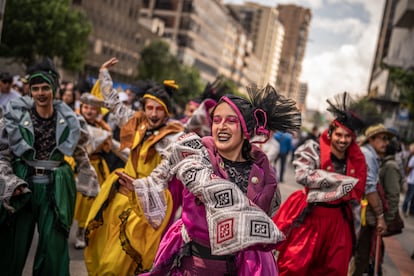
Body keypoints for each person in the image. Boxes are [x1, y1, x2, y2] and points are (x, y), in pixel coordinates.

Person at [117, 83, 301, 275]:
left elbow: (266, 217)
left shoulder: (263, 173)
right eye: (216, 120)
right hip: (194, 263)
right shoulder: (191, 151)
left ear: (246, 129)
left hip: (241, 266)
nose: (221, 126)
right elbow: (158, 178)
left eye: (230, 121)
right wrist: (140, 186)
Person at [84, 57, 184, 275]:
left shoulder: (174, 135)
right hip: (119, 197)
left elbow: (166, 168)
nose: (154, 113)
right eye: (150, 107)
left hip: (145, 203)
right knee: (103, 248)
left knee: (120, 261)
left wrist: (141, 186)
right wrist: (103, 73)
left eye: (159, 109)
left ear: (166, 112)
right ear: (144, 107)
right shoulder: (136, 121)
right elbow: (112, 103)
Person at [0, 58, 98, 276]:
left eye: (45, 88)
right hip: (22, 188)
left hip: (55, 191)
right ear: (30, 90)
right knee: (11, 248)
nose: (40, 93)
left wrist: (89, 186)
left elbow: (81, 154)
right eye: (35, 88)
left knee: (53, 251)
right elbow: (2, 156)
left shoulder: (71, 121)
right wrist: (10, 183)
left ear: (54, 88)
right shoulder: (15, 116)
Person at [273, 92, 367, 276]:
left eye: (347, 136)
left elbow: (358, 191)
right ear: (331, 133)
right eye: (339, 135)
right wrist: (344, 183)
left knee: (333, 269)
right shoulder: (313, 149)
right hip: (310, 215)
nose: (342, 140)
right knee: (294, 266)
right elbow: (303, 175)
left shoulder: (356, 159)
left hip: (338, 221)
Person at [352, 123, 395, 276]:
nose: (386, 143)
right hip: (358, 214)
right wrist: (380, 217)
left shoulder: (371, 156)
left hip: (360, 213)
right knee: (360, 257)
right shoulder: (367, 155)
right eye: (383, 139)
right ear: (371, 139)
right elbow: (369, 188)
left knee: (361, 256)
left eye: (387, 140)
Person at [72, 92, 113, 249]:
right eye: (86, 107)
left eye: (93, 108)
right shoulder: (73, 123)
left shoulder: (103, 128)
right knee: (73, 200)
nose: (89, 111)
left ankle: (82, 231)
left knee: (90, 202)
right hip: (76, 165)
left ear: (98, 111)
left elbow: (111, 147)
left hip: (95, 166)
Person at [402, 143, 414, 216]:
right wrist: (406, 176)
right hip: (411, 181)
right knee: (409, 196)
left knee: (413, 198)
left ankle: (412, 211)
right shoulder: (413, 158)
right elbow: (409, 168)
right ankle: (404, 209)